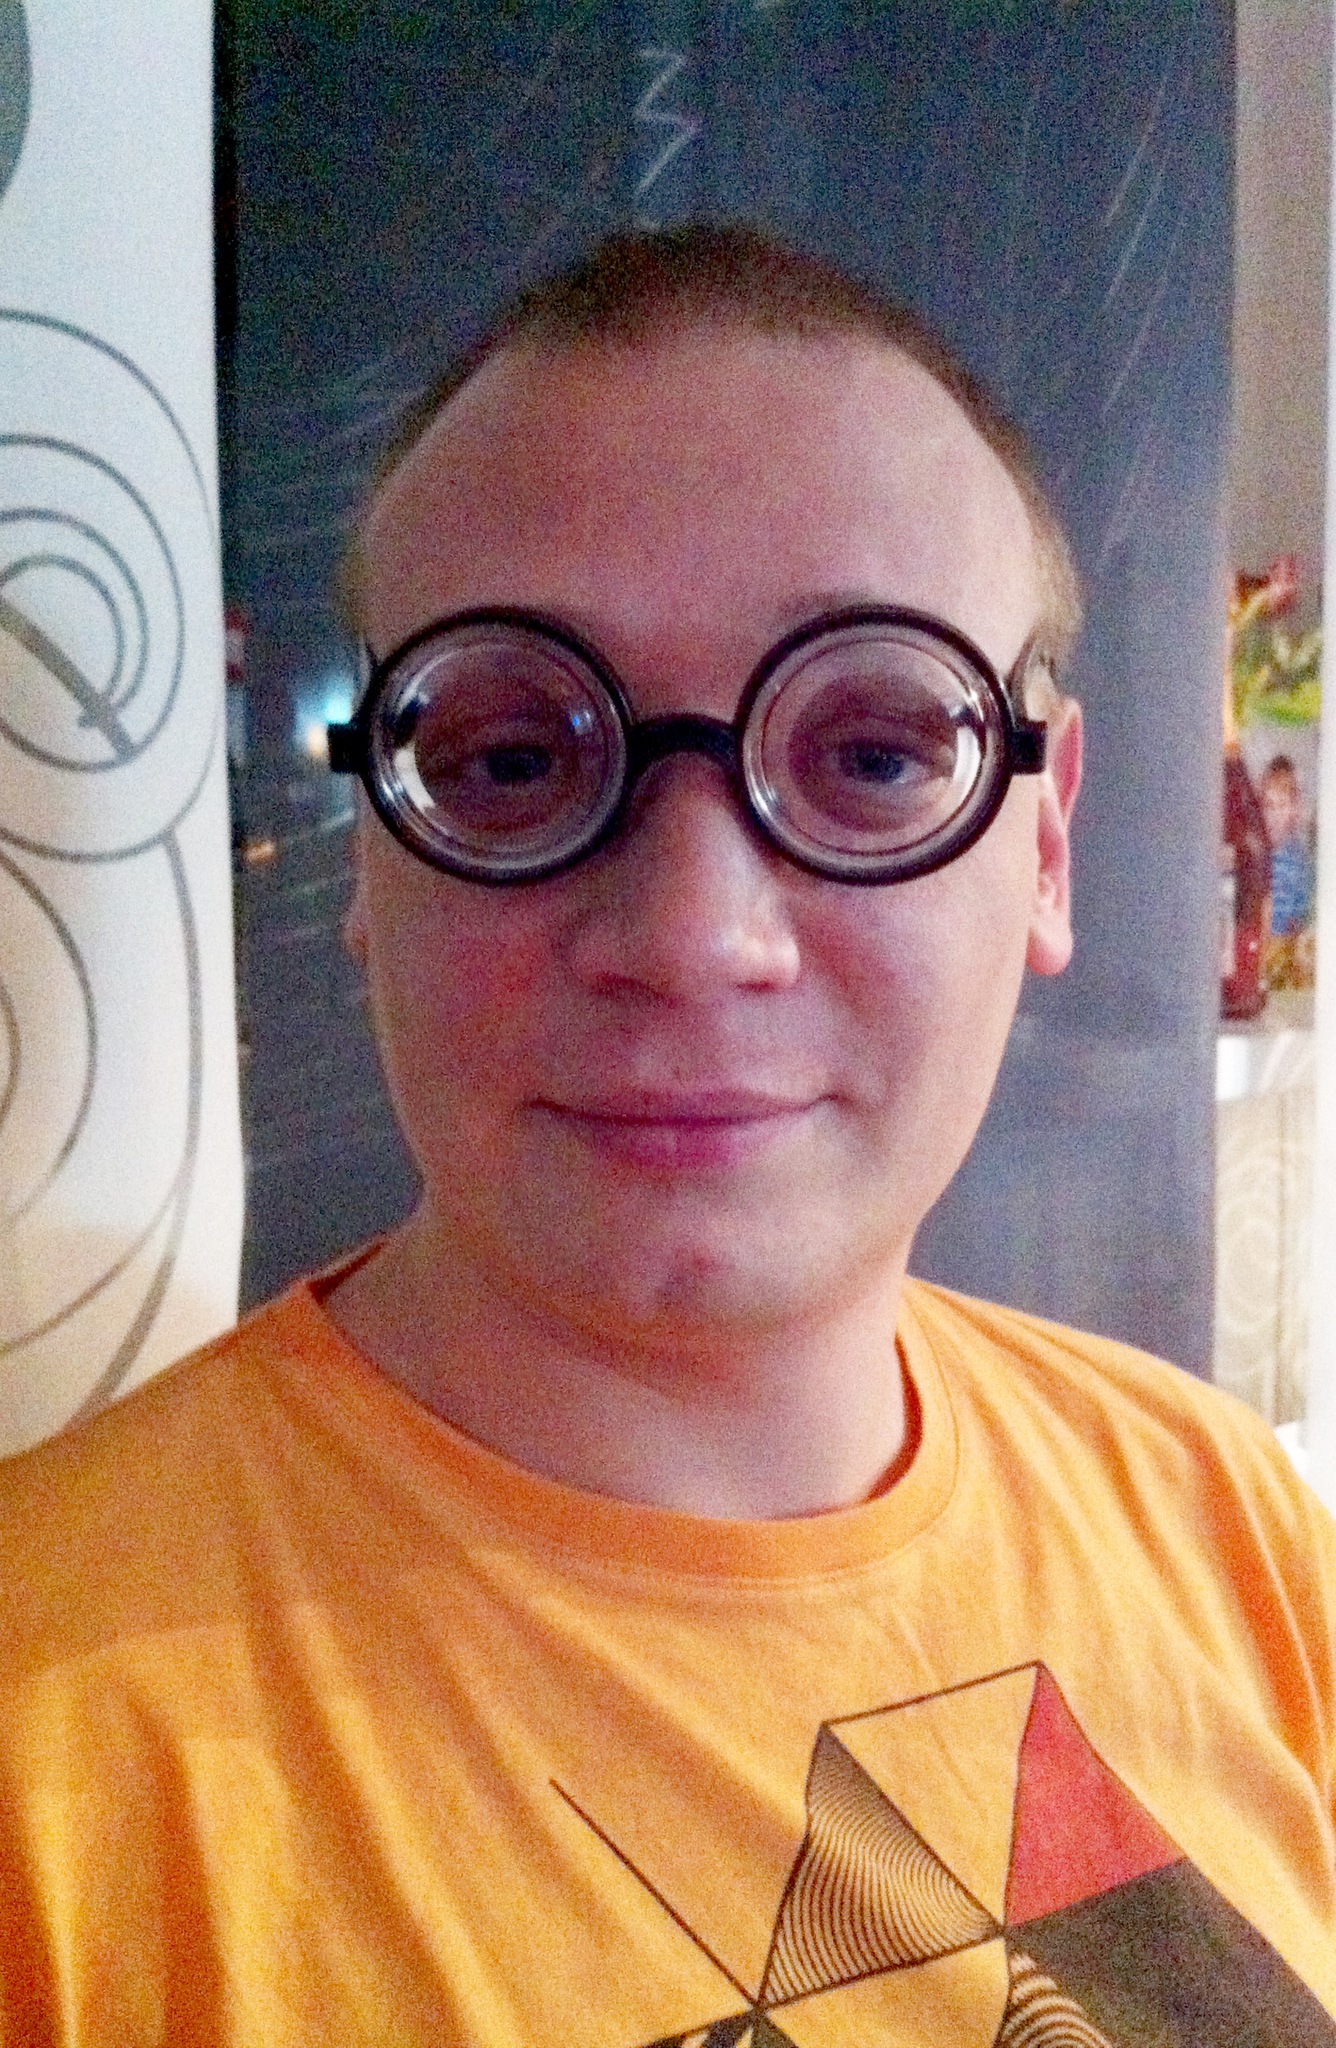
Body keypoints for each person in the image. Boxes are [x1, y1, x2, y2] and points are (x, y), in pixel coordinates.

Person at [2, 227, 1333, 2046]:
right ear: (368, 857)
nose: (697, 935)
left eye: (872, 755)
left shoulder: (1227, 1526)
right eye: (511, 759)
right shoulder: (45, 1747)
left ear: (1045, 841)